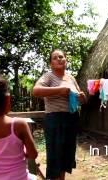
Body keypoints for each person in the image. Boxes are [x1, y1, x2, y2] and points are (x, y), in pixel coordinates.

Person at [33, 49, 86, 180]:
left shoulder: (71, 78)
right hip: (55, 119)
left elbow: (81, 100)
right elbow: (36, 91)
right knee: (55, 156)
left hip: (71, 119)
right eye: (55, 58)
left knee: (66, 155)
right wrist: (60, 90)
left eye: (61, 57)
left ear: (66, 60)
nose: (59, 59)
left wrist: (82, 97)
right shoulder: (48, 76)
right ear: (51, 63)